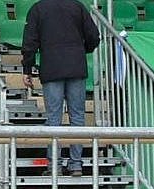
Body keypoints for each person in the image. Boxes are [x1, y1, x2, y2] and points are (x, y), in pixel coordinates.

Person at [22, 0, 100, 176]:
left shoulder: (38, 9)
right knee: (78, 117)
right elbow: (94, 37)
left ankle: (54, 166)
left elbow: (29, 42)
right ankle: (76, 165)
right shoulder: (77, 6)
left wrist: (27, 68)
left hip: (51, 68)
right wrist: (80, 50)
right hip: (76, 66)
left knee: (53, 118)